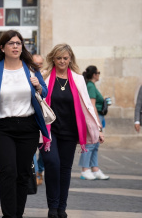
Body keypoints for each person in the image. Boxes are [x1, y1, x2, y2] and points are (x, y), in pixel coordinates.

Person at [0, 30, 49, 218]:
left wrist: (39, 86)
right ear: (2, 47)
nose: (16, 46)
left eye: (18, 43)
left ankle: (18, 214)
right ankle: (9, 215)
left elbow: (45, 92)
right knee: (9, 171)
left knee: (23, 173)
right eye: (11, 43)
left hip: (28, 127)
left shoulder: (31, 68)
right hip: (1, 129)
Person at [41, 45, 103, 218]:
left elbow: (87, 106)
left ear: (70, 59)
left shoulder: (77, 79)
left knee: (65, 169)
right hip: (49, 130)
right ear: (53, 58)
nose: (62, 61)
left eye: (65, 58)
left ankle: (61, 208)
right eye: (59, 58)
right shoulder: (44, 77)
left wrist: (98, 128)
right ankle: (52, 206)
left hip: (70, 130)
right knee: (52, 163)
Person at [78, 65, 109, 181]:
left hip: (99, 116)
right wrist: (97, 122)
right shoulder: (90, 86)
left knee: (95, 145)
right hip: (96, 117)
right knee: (90, 144)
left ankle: (94, 168)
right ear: (94, 74)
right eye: (98, 72)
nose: (99, 74)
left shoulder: (92, 85)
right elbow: (92, 106)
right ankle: (85, 170)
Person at [32, 53, 45, 186]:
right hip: (32, 117)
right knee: (31, 150)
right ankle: (35, 173)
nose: (38, 66)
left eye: (40, 64)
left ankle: (40, 170)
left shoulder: (45, 75)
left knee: (43, 149)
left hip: (45, 119)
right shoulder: (29, 73)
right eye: (35, 63)